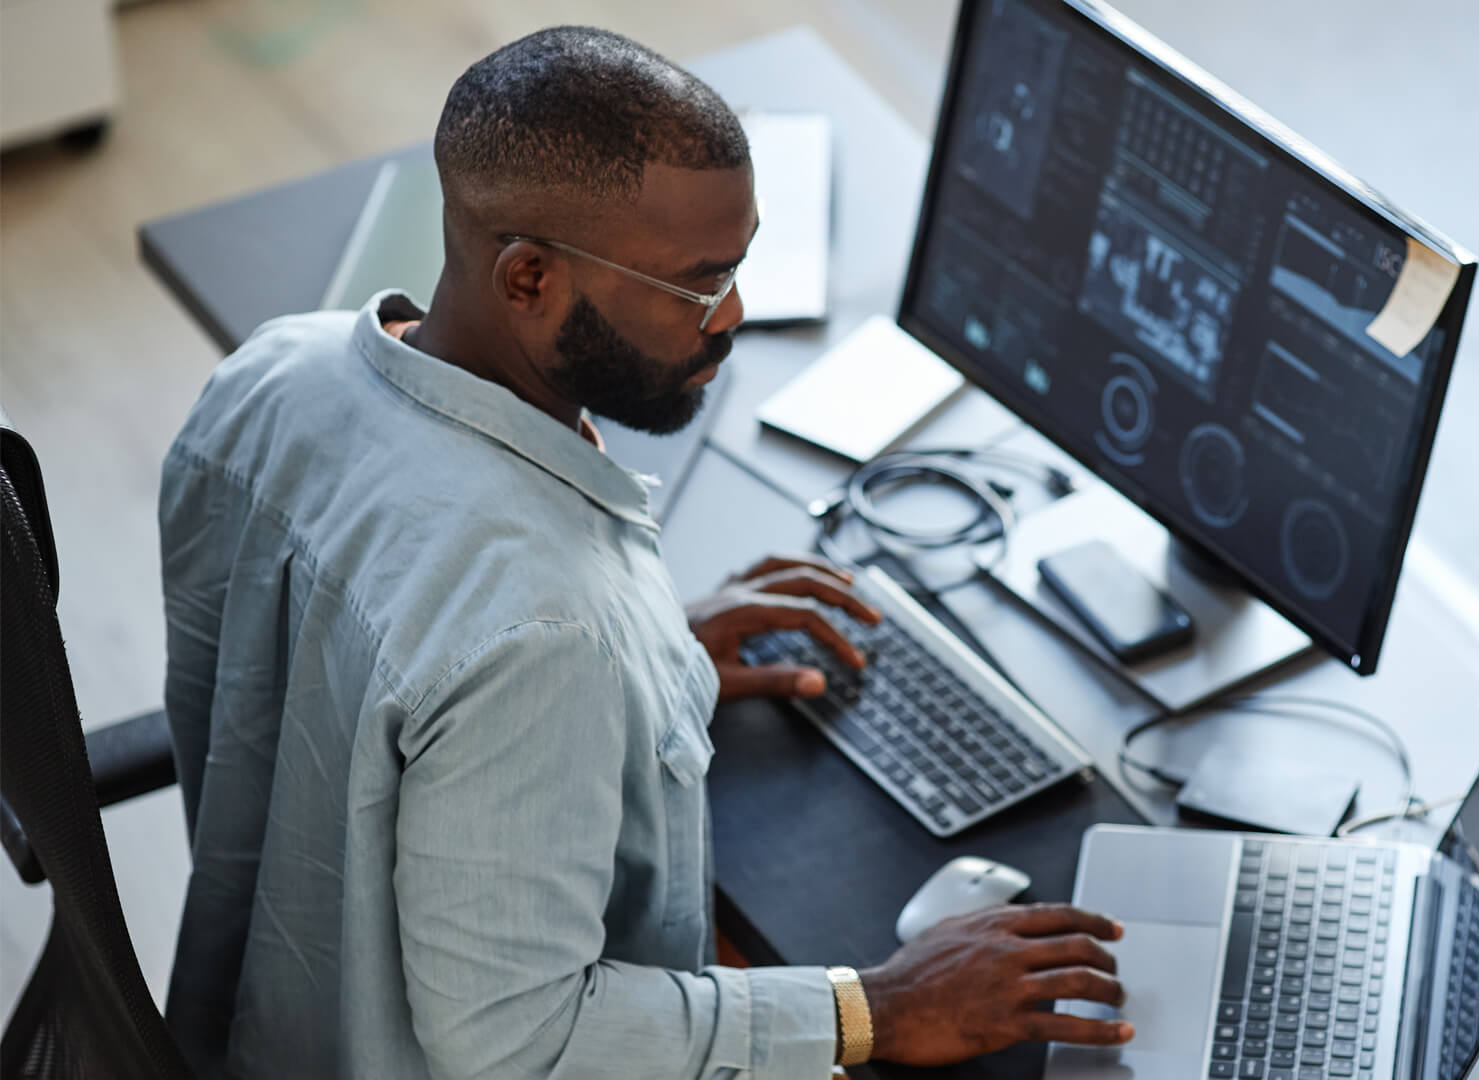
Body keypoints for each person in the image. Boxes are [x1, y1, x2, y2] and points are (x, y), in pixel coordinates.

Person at [157, 24, 1133, 1080]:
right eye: (699, 285)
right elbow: (518, 1044)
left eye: (742, 263)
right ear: (528, 278)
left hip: (255, 1015)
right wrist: (875, 1008)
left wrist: (646, 670)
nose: (736, 316)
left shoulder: (271, 371)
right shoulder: (541, 632)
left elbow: (360, 665)